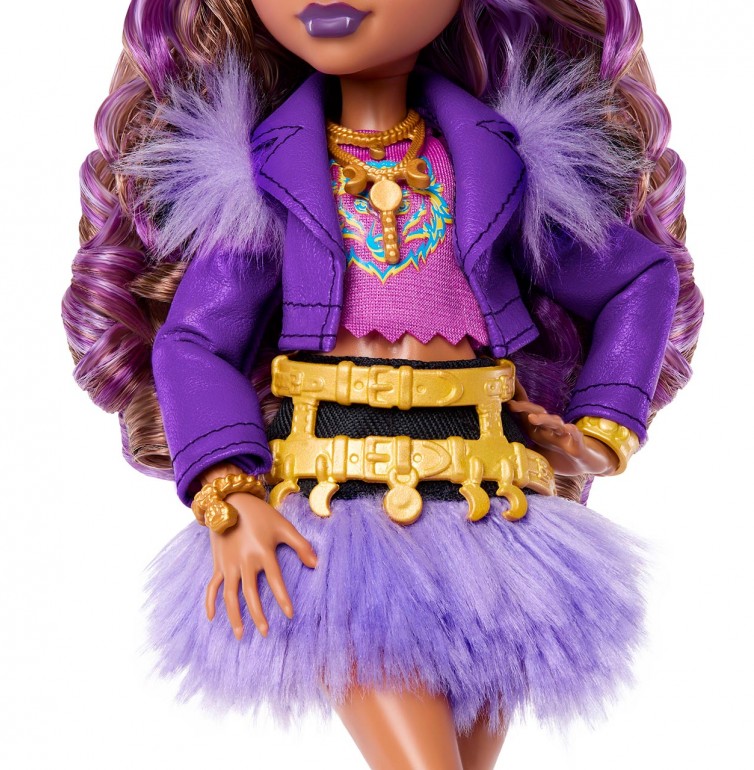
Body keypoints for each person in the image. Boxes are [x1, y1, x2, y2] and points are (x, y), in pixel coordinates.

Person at [62, 1, 702, 768]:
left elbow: (637, 279)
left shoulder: (498, 161)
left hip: (492, 512)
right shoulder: (262, 174)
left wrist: (601, 425)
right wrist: (228, 492)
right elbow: (195, 341)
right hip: (340, 513)